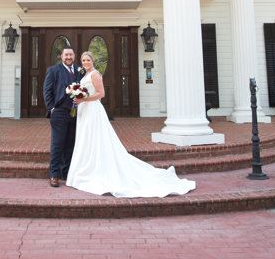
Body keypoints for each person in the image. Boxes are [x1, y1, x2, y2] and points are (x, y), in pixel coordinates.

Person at [66, 51, 196, 198]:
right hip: (85, 110)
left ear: (93, 61)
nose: (85, 62)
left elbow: (101, 94)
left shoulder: (94, 74)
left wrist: (84, 99)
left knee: (95, 138)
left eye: (88, 60)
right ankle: (87, 168)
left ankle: (95, 170)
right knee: (86, 138)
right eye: (83, 60)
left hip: (92, 110)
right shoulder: (85, 74)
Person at [42, 45, 85, 188]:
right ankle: (54, 174)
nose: (68, 57)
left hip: (76, 113)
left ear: (74, 56)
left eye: (71, 55)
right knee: (57, 144)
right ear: (61, 56)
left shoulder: (80, 70)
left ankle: (66, 173)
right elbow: (47, 91)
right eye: (66, 55)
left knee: (70, 144)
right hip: (60, 112)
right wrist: (52, 108)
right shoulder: (53, 70)